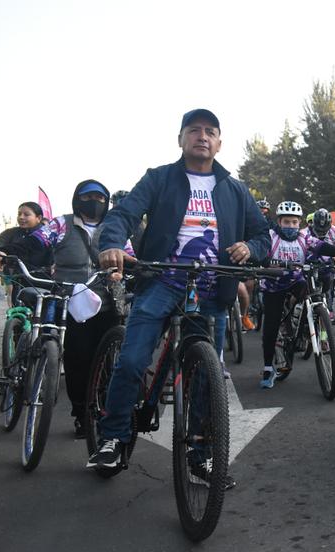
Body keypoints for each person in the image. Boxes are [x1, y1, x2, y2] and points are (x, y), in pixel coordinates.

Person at [88, 108, 271, 489]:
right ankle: (114, 436)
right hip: (161, 283)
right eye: (194, 130)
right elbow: (122, 216)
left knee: (206, 376)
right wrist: (110, 245)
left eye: (210, 132)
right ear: (181, 139)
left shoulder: (235, 189)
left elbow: (263, 235)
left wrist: (249, 247)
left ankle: (200, 456)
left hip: (211, 290)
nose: (202, 137)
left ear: (219, 142)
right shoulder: (159, 178)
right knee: (134, 359)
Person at [0, 181, 124, 438]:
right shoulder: (61, 224)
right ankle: (83, 414)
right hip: (68, 304)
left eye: (99, 197)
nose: (94, 201)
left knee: (109, 361)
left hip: (106, 304)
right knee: (77, 360)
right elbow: (35, 243)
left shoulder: (114, 227)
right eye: (88, 196)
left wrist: (121, 270)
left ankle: (106, 412)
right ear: (77, 199)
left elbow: (127, 254)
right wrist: (4, 252)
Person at [259, 202, 335, 388]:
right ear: (279, 222)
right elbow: (259, 253)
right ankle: (268, 367)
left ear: (299, 223)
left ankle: (306, 324)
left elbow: (321, 246)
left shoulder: (304, 238)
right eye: (286, 222)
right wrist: (266, 261)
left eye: (294, 222)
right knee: (271, 325)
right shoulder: (270, 237)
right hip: (273, 285)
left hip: (295, 280)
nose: (291, 226)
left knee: (312, 293)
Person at [0, 202, 51, 305]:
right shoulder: (10, 233)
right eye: (19, 214)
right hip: (17, 280)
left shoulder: (48, 234)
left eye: (26, 214)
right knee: (16, 312)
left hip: (44, 282)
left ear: (38, 218)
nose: (21, 217)